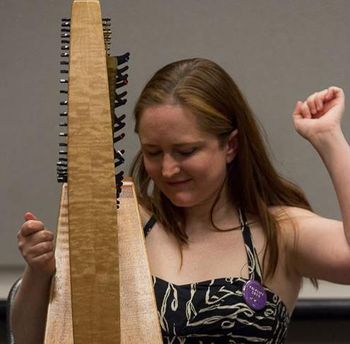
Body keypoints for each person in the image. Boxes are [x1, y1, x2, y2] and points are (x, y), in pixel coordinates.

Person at [12, 58, 350, 343]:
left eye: (186, 151)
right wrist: (39, 272)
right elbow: (31, 338)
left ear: (230, 146)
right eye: (153, 152)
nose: (169, 169)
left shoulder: (281, 231)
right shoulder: (122, 224)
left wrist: (329, 139)